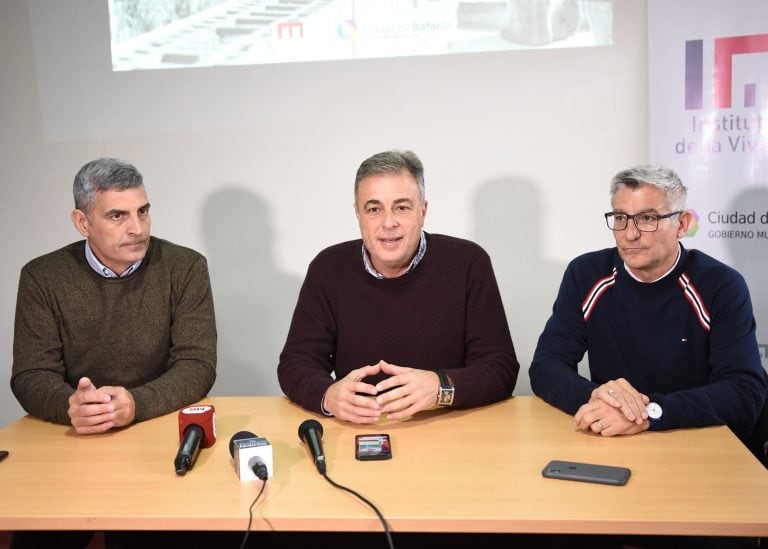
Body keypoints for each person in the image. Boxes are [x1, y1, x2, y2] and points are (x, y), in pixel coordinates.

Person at [530, 164, 767, 459]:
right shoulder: (586, 274)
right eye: (620, 218)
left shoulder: (720, 284)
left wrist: (649, 413)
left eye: (647, 218)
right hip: (616, 439)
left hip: (699, 443)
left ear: (681, 224)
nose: (630, 234)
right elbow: (546, 366)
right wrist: (597, 398)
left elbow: (744, 392)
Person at [278, 149, 519, 424]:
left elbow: (501, 368)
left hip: (447, 427)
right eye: (374, 209)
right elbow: (296, 362)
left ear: (423, 211)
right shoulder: (328, 268)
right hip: (361, 429)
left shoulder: (468, 263)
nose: (388, 223)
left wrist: (440, 388)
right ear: (358, 213)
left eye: (402, 207)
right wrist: (328, 395)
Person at [11, 157, 217, 435]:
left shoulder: (185, 267)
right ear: (82, 223)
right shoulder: (42, 276)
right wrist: (71, 405)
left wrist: (136, 403)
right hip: (77, 434)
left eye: (142, 211)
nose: (138, 228)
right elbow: (31, 374)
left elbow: (197, 365)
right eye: (117, 216)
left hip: (158, 424)